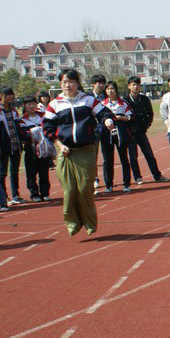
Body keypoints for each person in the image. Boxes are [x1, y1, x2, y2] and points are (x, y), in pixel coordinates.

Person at [42, 69, 116, 235]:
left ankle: (89, 222)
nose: (68, 85)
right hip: (66, 152)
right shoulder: (55, 104)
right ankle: (72, 223)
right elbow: (47, 128)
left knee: (84, 188)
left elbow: (103, 112)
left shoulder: (88, 100)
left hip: (86, 150)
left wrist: (108, 120)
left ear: (77, 83)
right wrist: (60, 146)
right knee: (69, 190)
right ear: (60, 84)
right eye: (64, 82)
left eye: (71, 82)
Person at [124, 76, 168, 184]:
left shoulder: (144, 99)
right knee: (133, 157)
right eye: (133, 84)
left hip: (142, 131)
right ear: (129, 86)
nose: (136, 87)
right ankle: (137, 177)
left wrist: (147, 125)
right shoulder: (125, 100)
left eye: (138, 84)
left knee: (149, 154)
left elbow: (150, 113)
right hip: (131, 133)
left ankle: (157, 175)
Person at [0, 87, 26, 205]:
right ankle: (4, 197)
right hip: (3, 146)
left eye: (12, 94)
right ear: (1, 95)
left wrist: (23, 139)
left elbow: (18, 127)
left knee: (14, 171)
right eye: (8, 95)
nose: (11, 97)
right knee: (2, 171)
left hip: (15, 144)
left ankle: (15, 195)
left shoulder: (13, 110)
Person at [100, 81, 133, 193]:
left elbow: (130, 117)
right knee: (108, 160)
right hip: (106, 135)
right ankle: (108, 185)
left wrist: (120, 118)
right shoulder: (102, 104)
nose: (110, 91)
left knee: (124, 158)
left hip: (121, 135)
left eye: (112, 89)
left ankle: (126, 184)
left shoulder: (123, 103)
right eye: (108, 89)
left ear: (116, 90)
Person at [19, 96, 53, 202]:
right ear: (24, 106)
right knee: (31, 173)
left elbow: (48, 129)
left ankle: (45, 193)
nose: (32, 106)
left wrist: (35, 131)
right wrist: (38, 131)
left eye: (33, 103)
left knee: (44, 172)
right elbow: (24, 135)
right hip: (31, 149)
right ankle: (34, 194)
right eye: (29, 104)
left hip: (44, 148)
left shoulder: (43, 116)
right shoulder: (22, 120)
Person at [89, 75, 107, 190]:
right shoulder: (88, 98)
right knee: (93, 157)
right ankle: (95, 179)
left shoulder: (107, 96)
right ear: (93, 84)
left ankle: (108, 180)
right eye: (98, 83)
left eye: (102, 83)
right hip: (93, 130)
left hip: (105, 129)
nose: (101, 85)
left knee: (107, 156)